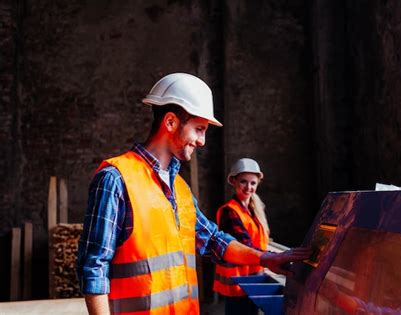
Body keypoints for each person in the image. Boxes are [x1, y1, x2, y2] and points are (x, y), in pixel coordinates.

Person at [76, 73, 311, 315]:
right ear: (170, 122)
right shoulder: (116, 179)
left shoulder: (180, 188)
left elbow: (213, 240)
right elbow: (94, 266)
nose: (202, 141)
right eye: (199, 129)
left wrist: (266, 259)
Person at [213, 158, 270, 315]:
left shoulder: (254, 210)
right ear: (233, 181)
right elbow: (245, 245)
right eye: (243, 182)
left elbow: (258, 240)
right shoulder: (229, 212)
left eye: (253, 183)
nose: (248, 187)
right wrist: (274, 258)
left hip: (253, 279)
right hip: (238, 282)